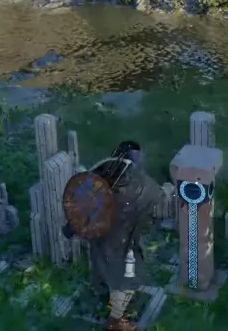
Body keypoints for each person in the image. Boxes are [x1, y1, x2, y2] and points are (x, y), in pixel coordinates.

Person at [63, 141, 161, 331]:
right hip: (108, 243)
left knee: (119, 278)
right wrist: (71, 227)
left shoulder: (140, 187)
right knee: (120, 280)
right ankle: (115, 321)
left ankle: (112, 310)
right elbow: (82, 210)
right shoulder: (101, 187)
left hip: (123, 242)